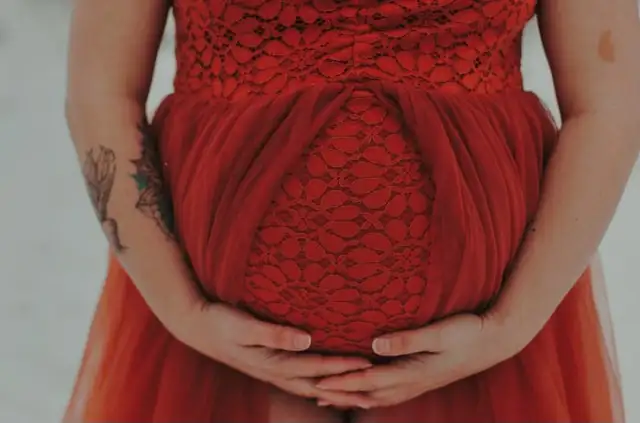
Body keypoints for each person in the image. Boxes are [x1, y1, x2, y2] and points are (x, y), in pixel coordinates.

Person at [62, 0, 639, 421]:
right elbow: (102, 90)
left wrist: (511, 326)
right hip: (212, 340)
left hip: (485, 345)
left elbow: (609, 103)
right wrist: (180, 309)